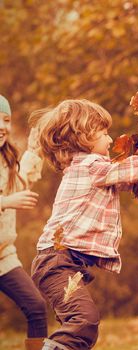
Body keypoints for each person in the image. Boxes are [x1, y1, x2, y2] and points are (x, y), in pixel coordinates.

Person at [28, 99, 138, 350]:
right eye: (104, 133)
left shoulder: (89, 170)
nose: (109, 138)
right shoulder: (91, 166)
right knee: (84, 320)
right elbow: (133, 170)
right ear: (82, 137)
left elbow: (134, 179)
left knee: (79, 328)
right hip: (57, 263)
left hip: (59, 263)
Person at [0, 94, 47, 350]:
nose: (2, 127)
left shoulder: (5, 160)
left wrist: (34, 150)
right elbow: (9, 197)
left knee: (36, 306)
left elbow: (17, 184)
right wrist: (5, 202)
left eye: (6, 120)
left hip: (3, 256)